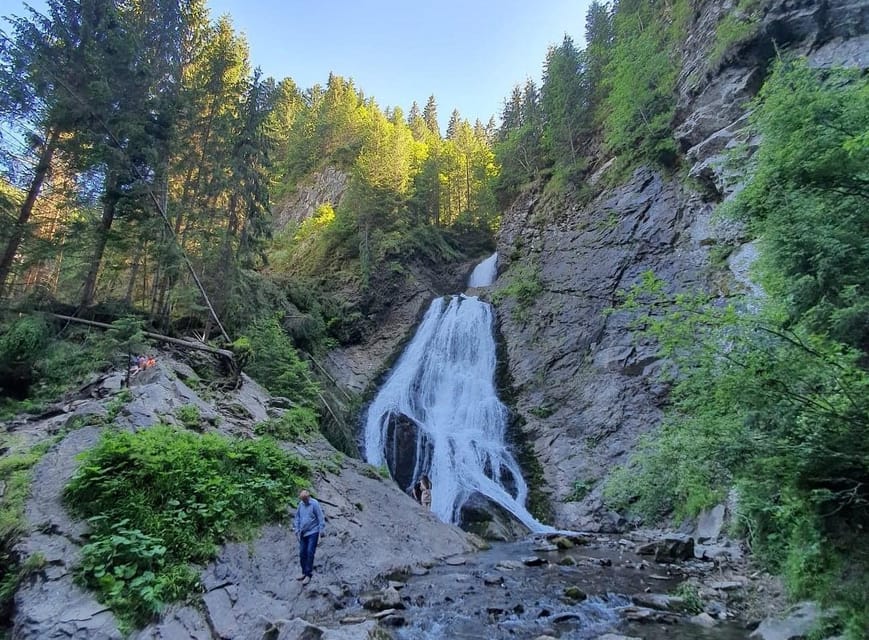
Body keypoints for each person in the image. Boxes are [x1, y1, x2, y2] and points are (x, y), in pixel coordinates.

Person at [293, 489, 325, 585]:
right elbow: (297, 517)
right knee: (302, 553)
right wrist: (296, 529)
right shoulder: (301, 505)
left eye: (305, 499)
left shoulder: (314, 504)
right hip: (303, 532)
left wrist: (321, 532)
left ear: (308, 497)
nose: (304, 501)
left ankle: (308, 574)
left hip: (313, 531)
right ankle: (303, 572)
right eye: (302, 499)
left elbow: (320, 517)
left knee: (310, 552)